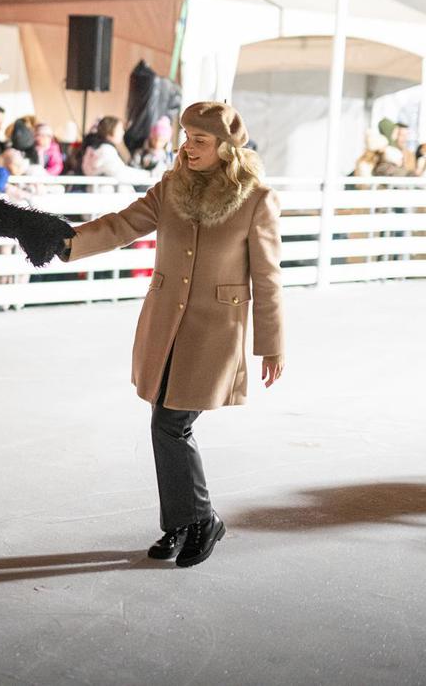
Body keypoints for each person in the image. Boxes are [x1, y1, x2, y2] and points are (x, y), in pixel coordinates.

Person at [59, 102, 285, 568]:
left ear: (226, 148)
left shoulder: (257, 198)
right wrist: (62, 242)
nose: (188, 148)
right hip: (166, 323)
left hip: (214, 331)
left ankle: (201, 520)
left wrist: (272, 343)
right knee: (167, 421)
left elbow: (267, 276)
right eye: (186, 138)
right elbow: (122, 225)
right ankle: (184, 523)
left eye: (200, 141)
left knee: (171, 424)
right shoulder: (171, 186)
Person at [80, 116, 153, 191]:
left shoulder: (97, 147)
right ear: (110, 131)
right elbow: (120, 173)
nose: (123, 132)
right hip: (106, 194)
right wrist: (148, 175)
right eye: (120, 129)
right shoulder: (106, 150)